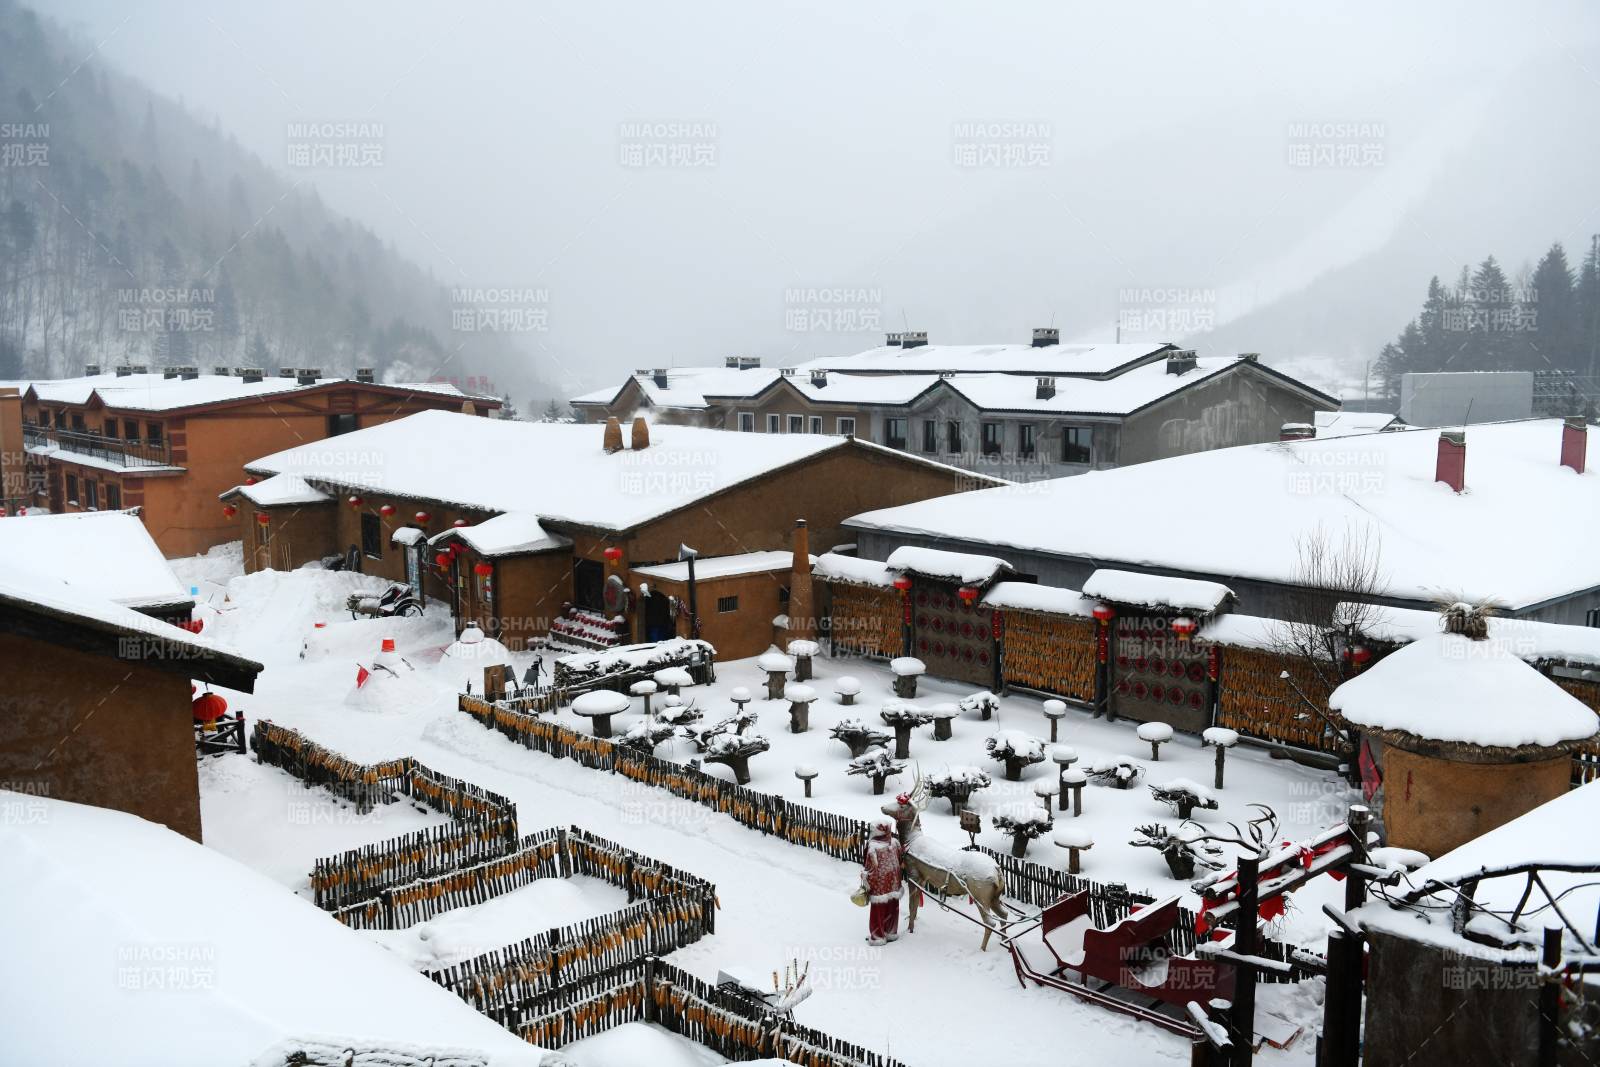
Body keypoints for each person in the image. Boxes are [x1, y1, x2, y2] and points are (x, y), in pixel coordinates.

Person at [861, 821, 903, 945]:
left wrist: (865, 877)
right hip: (894, 883)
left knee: (878, 911)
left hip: (880, 885)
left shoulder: (873, 847)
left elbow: (870, 867)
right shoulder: (895, 843)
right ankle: (890, 932)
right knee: (892, 907)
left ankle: (878, 936)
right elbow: (900, 859)